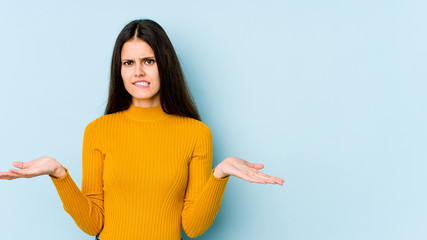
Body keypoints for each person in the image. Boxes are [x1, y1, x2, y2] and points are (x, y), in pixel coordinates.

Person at [0, 19, 284, 239]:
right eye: (128, 63)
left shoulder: (196, 133)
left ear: (165, 65)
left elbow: (193, 227)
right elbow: (93, 224)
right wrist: (59, 174)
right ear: (119, 70)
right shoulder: (98, 131)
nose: (138, 72)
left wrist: (220, 175)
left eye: (148, 61)